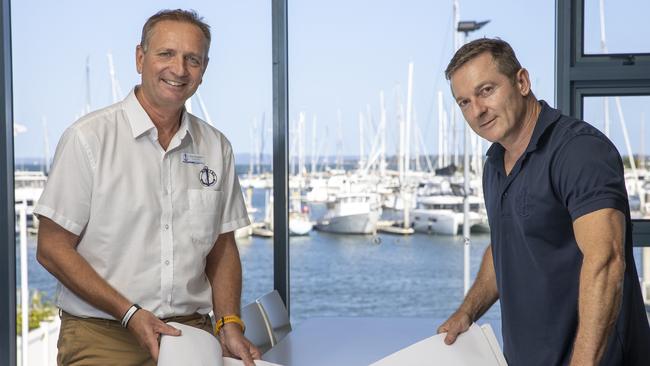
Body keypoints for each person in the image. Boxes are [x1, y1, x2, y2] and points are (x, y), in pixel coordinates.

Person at [35, 9, 260, 366]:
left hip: (190, 335)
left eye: (193, 59)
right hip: (103, 333)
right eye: (166, 54)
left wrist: (228, 321)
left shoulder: (217, 147)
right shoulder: (88, 139)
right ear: (140, 58)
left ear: (204, 69)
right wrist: (129, 313)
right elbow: (51, 248)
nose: (179, 69)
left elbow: (222, 245)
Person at [437, 38, 650, 365]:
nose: (477, 111)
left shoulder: (579, 151)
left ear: (522, 82)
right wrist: (467, 312)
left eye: (486, 91)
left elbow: (606, 262)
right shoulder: (494, 164)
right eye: (464, 102)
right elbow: (505, 248)